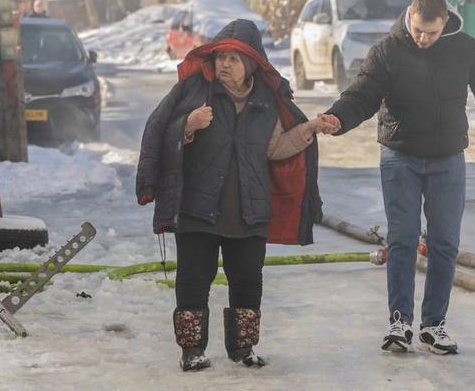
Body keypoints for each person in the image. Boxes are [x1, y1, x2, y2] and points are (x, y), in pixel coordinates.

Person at [325, 0, 475, 356]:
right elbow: (362, 94)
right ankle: (399, 322)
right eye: (419, 30)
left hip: (447, 159)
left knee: (444, 243)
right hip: (399, 156)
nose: (423, 38)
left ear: (445, 24)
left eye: (431, 33)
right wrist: (338, 118)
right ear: (410, 17)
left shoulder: (464, 49)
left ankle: (434, 325)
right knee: (403, 239)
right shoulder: (387, 51)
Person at [136, 19, 333, 372]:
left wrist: (308, 130)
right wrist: (188, 126)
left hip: (249, 210)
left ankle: (243, 350)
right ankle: (192, 351)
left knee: (247, 281)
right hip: (198, 208)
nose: (224, 64)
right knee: (193, 280)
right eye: (220, 56)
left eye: (233, 58)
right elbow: (159, 128)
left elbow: (274, 148)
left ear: (252, 64)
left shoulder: (268, 102)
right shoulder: (195, 92)